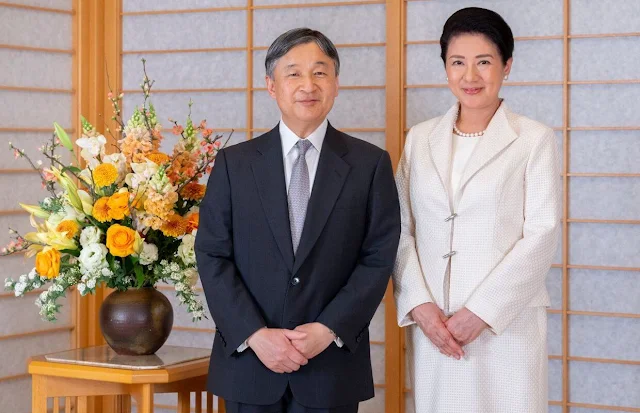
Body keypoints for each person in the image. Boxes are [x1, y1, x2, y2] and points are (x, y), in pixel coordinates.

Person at [196, 27, 400, 413]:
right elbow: (211, 254)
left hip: (330, 366)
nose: (308, 84)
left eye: (320, 72)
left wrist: (328, 330)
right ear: (272, 86)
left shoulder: (369, 165)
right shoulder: (234, 164)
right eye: (294, 73)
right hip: (250, 365)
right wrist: (255, 335)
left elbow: (378, 258)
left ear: (336, 83)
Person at [392, 7, 561, 412]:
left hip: (507, 324)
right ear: (445, 68)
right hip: (435, 326)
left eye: (484, 62)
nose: (470, 76)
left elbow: (542, 232)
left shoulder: (533, 139)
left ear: (507, 66)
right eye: (458, 63)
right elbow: (398, 228)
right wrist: (420, 306)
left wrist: (482, 312)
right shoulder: (419, 139)